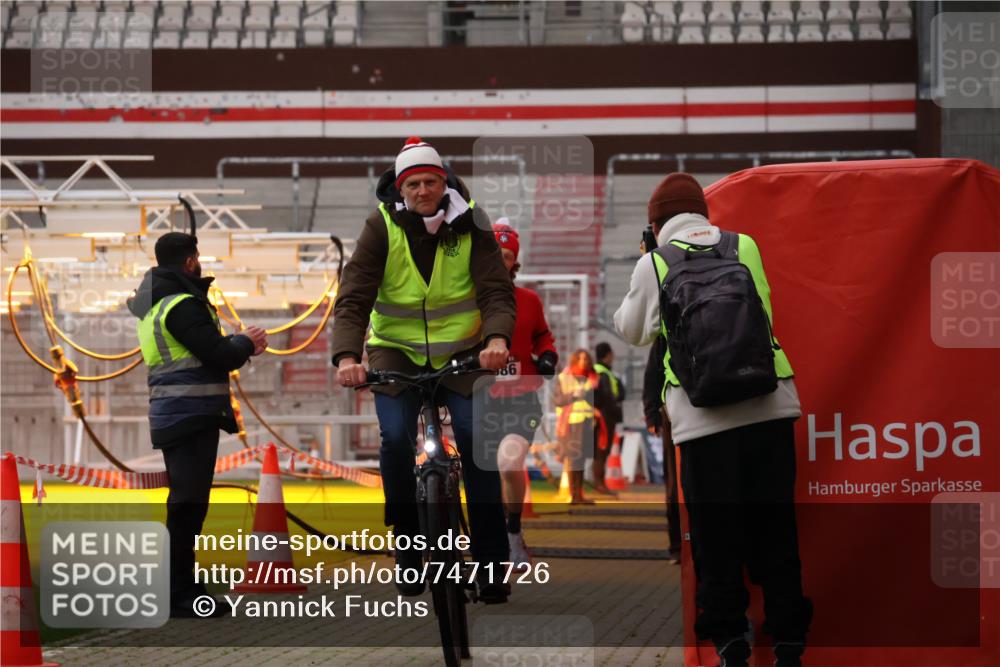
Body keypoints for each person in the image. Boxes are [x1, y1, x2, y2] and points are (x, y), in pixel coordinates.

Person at [613, 173, 813, 667]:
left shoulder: (655, 262)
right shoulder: (744, 245)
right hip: (769, 407)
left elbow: (633, 331)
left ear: (655, 223)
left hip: (703, 422)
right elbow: (762, 308)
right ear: (703, 212)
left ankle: (730, 644)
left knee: (715, 537)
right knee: (776, 528)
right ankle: (789, 640)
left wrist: (645, 262)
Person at [330, 137, 515, 603]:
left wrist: (496, 340)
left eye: (431, 181)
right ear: (400, 187)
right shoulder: (380, 226)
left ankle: (493, 565)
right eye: (413, 184)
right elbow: (354, 297)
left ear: (444, 181)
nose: (423, 190)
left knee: (477, 445)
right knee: (394, 438)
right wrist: (348, 357)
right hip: (395, 351)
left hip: (464, 355)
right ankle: (409, 549)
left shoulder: (472, 221)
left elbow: (496, 288)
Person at [128, 231, 267, 618]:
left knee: (184, 507)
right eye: (198, 258)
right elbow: (219, 354)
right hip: (189, 416)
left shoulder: (155, 305)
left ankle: (182, 591)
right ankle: (181, 595)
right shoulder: (183, 305)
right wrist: (245, 342)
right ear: (190, 262)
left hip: (175, 414)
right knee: (187, 509)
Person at [485, 220, 558, 565]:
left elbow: (543, 335)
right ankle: (487, 538)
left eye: (507, 255)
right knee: (481, 471)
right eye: (494, 254)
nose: (500, 260)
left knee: (509, 461)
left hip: (521, 396)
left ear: (515, 261)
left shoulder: (529, 300)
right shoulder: (468, 299)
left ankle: (513, 533)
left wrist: (547, 354)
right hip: (478, 397)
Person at [642, 335, 681, 564]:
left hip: (677, 413)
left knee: (677, 485)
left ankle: (680, 546)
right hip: (673, 414)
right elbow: (653, 372)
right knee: (675, 487)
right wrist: (651, 413)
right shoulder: (666, 332)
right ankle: (677, 545)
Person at [552, 349, 599, 505]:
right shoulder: (564, 378)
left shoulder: (591, 379)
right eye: (581, 359)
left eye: (586, 359)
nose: (584, 362)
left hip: (587, 423)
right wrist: (575, 394)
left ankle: (579, 494)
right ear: (574, 360)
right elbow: (558, 400)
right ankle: (574, 495)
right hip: (571, 424)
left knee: (581, 459)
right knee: (574, 459)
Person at [592, 341, 625, 495]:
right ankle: (599, 484)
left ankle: (600, 483)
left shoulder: (603, 371)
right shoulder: (602, 372)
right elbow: (607, 396)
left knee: (601, 451)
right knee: (601, 451)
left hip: (604, 416)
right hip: (604, 417)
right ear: (609, 355)